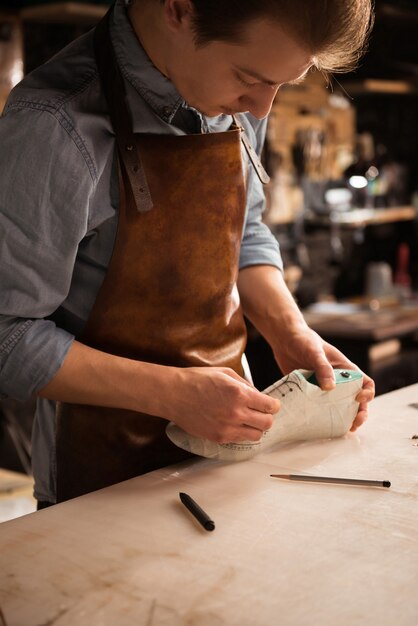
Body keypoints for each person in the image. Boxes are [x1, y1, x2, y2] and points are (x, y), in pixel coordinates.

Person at [0, 0, 375, 506]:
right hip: (103, 484)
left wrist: (289, 332)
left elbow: (245, 233)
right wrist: (173, 395)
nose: (263, 108)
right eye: (250, 77)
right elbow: (7, 335)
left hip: (230, 455)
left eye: (282, 84)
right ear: (178, 8)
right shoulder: (53, 124)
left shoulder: (238, 96)